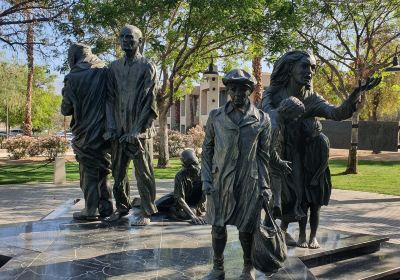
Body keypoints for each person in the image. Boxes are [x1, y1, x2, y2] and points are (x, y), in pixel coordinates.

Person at [261, 50, 381, 248]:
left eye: (313, 68)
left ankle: (281, 232)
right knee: (276, 195)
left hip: (302, 154)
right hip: (277, 150)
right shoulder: (274, 92)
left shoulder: (313, 98)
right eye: (305, 66)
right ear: (291, 68)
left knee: (299, 195)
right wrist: (280, 115)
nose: (310, 71)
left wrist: (354, 95)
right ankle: (269, 233)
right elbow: (265, 112)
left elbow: (336, 113)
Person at [202, 69, 271, 280]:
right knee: (218, 226)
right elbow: (207, 150)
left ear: (249, 91)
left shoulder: (262, 119)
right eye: (233, 89)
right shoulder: (215, 116)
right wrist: (206, 178)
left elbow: (263, 156)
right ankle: (217, 267)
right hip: (220, 179)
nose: (237, 93)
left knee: (247, 228)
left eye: (242, 89)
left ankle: (247, 267)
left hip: (248, 181)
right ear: (227, 90)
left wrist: (265, 186)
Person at [104, 25, 158, 226]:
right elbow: (109, 98)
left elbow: (149, 100)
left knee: (143, 172)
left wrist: (137, 129)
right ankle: (122, 207)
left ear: (140, 41)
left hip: (139, 130)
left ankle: (146, 210)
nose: (125, 40)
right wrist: (111, 126)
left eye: (130, 37)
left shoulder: (147, 66)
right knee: (118, 173)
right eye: (122, 37)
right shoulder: (113, 67)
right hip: (118, 128)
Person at [61, 43, 113, 221]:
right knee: (104, 169)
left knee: (88, 171)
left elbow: (66, 110)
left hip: (85, 132)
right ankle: (107, 206)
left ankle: (90, 209)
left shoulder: (73, 77)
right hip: (105, 131)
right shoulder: (105, 71)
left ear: (74, 56)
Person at [268, 97, 305, 220]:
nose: (296, 118)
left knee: (278, 197)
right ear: (289, 111)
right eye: (296, 115)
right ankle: (272, 216)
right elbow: (270, 151)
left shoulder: (273, 114)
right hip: (269, 168)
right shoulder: (274, 126)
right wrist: (281, 163)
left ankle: (273, 217)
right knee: (274, 197)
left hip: (273, 168)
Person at [301, 118, 331, 249]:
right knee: (302, 206)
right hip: (305, 176)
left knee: (315, 208)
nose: (308, 136)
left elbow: (324, 162)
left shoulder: (322, 140)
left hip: (319, 177)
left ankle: (313, 236)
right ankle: (301, 235)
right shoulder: (306, 139)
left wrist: (315, 178)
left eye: (310, 133)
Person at [156, 149, 206, 225]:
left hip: (194, 203)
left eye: (194, 163)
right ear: (183, 165)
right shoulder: (180, 175)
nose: (193, 167)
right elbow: (179, 198)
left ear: (198, 159)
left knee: (190, 212)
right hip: (178, 199)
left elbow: (208, 192)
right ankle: (170, 209)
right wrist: (193, 216)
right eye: (189, 165)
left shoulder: (205, 173)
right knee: (156, 206)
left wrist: (197, 207)